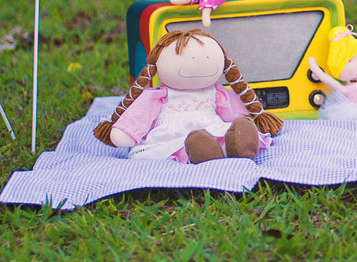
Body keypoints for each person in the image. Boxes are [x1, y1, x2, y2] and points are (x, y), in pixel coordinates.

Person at [92, 29, 283, 163]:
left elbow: (232, 110)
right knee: (185, 145)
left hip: (211, 127)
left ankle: (237, 145)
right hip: (175, 136)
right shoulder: (159, 95)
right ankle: (201, 153)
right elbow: (140, 114)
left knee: (226, 134)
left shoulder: (216, 91)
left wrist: (248, 121)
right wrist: (126, 132)